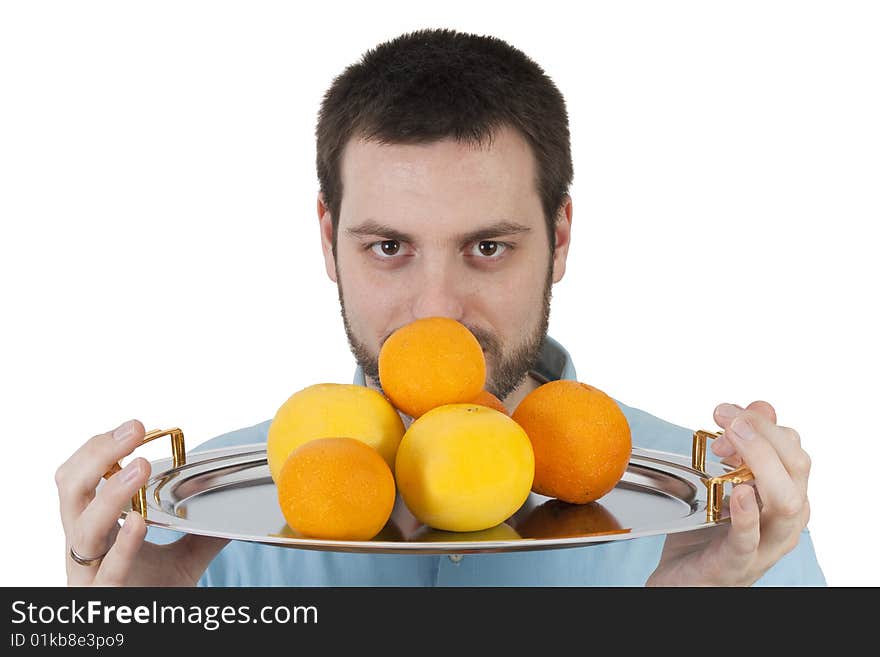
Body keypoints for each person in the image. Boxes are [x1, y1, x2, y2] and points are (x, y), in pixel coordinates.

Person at [55, 28, 824, 586]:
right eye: (389, 247)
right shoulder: (208, 520)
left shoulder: (718, 522)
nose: (437, 311)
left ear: (559, 238)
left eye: (487, 247)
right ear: (329, 240)